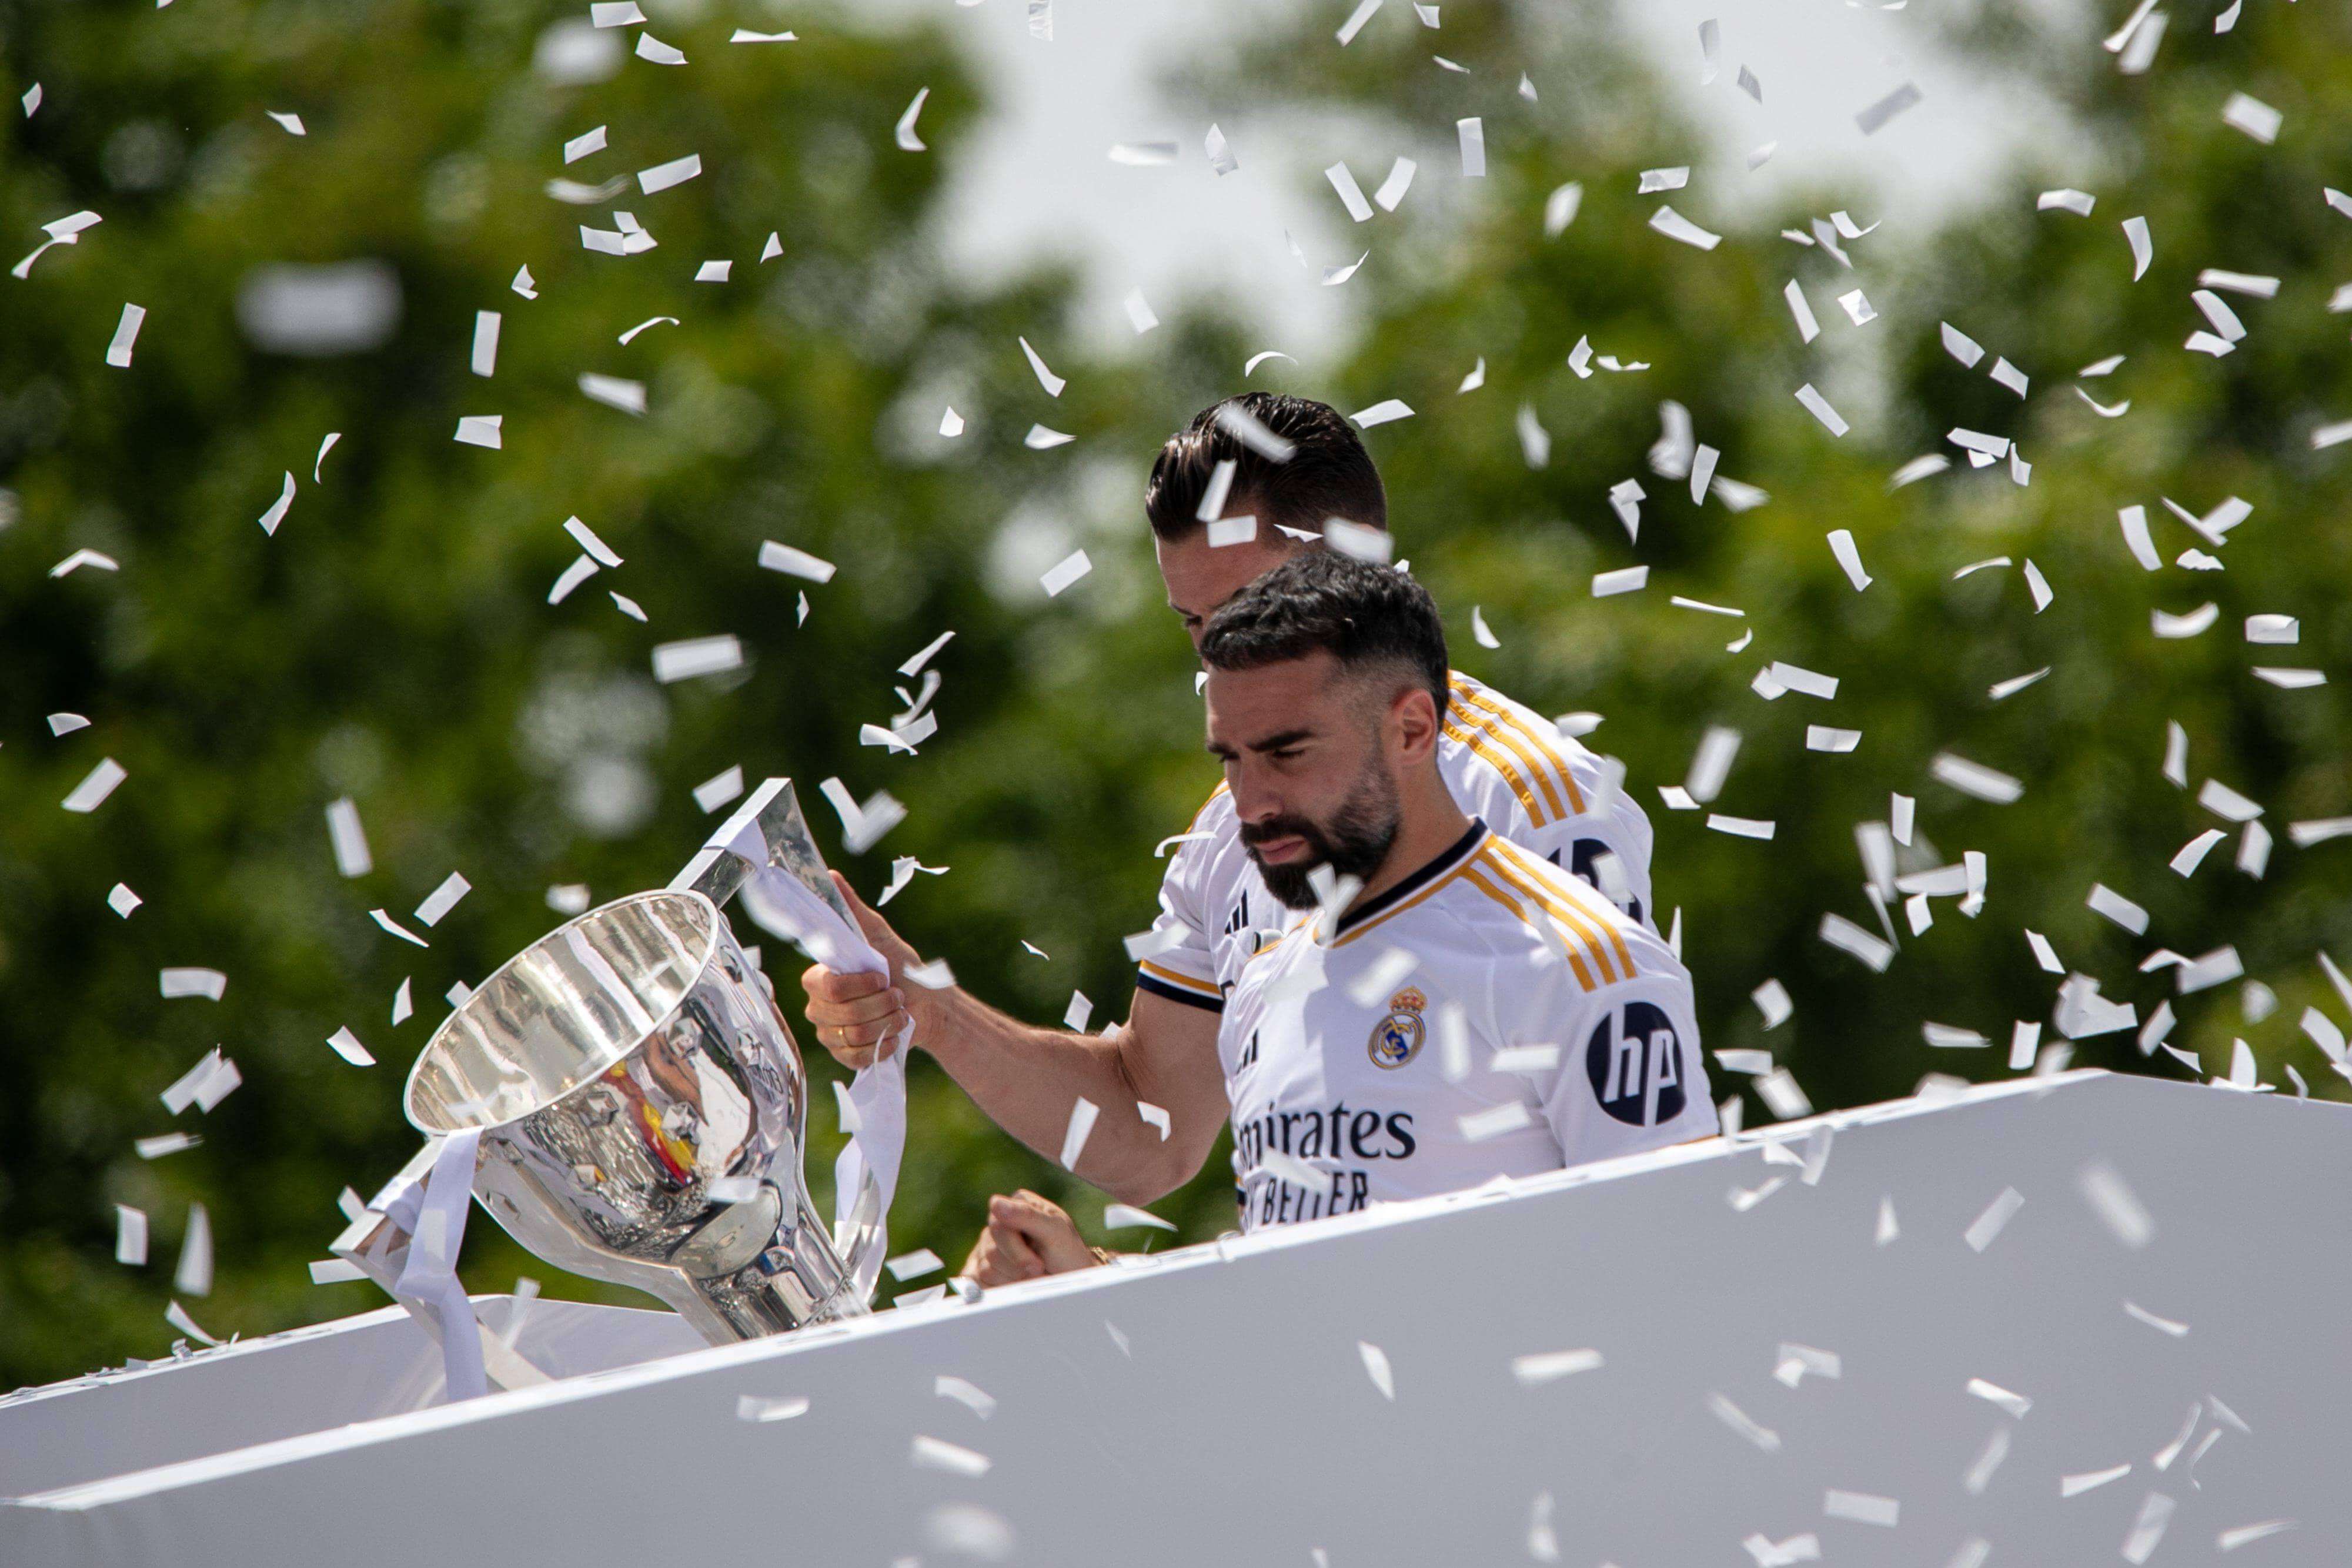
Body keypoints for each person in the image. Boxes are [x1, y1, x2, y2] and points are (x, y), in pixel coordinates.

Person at [801, 394, 1666, 1275]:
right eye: (1194, 627)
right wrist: (933, 1012)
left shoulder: (1539, 798)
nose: (1221, 659)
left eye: (1251, 606)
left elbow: (1628, 1185)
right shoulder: (1228, 834)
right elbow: (1151, 1131)